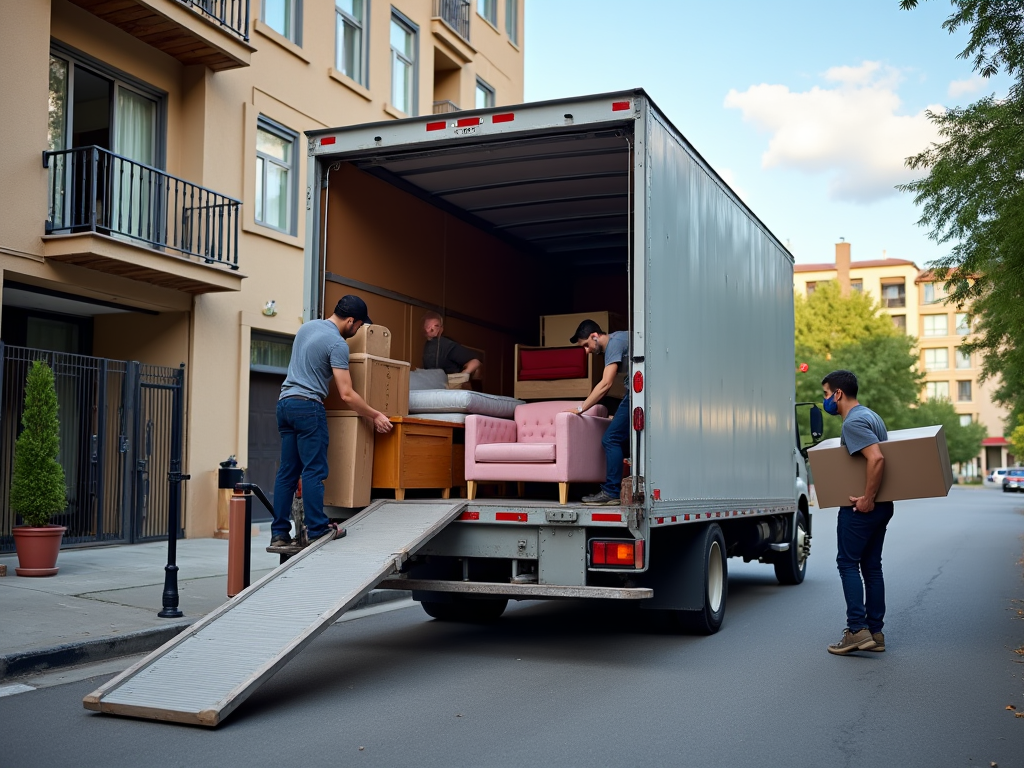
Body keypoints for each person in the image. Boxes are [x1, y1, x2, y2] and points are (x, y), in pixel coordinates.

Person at [270, 295, 393, 547]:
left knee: (287, 473)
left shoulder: (306, 328)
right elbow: (346, 394)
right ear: (350, 320)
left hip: (285, 404)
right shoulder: (338, 345)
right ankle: (317, 529)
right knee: (313, 470)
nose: (357, 329)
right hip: (307, 407)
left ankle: (279, 533)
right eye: (358, 325)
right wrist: (376, 414)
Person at [821, 369, 893, 655]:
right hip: (883, 506)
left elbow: (876, 458)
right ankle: (875, 633)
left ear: (838, 393)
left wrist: (866, 499)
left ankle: (856, 630)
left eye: (826, 394)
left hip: (864, 507)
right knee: (872, 566)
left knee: (847, 563)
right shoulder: (872, 416)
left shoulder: (853, 422)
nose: (825, 400)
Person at [568, 319, 629, 506]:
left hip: (639, 395)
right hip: (637, 393)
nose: (586, 351)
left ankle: (611, 492)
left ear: (595, 336)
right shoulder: (619, 339)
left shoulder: (614, 344)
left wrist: (581, 409)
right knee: (623, 439)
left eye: (586, 345)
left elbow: (605, 384)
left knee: (610, 439)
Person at [421, 311, 481, 376]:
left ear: (441, 328)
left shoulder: (447, 345)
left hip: (449, 384)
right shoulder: (428, 345)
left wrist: (461, 377)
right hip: (434, 383)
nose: (431, 329)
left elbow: (475, 361)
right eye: (427, 326)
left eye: (436, 326)